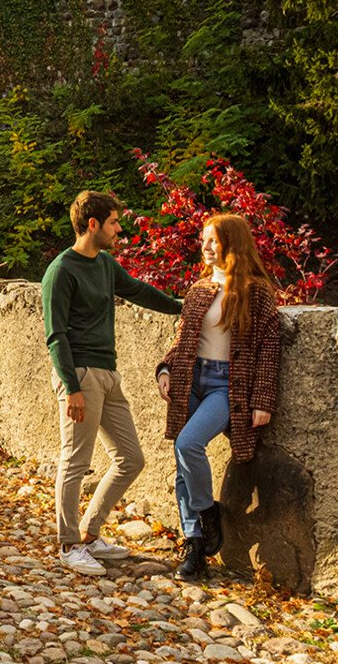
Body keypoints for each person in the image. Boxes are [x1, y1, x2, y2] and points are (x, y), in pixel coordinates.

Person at [42, 190, 184, 576]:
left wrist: (185, 305)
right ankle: (69, 545)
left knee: (131, 458)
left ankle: (88, 533)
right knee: (76, 461)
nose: (119, 229)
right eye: (114, 223)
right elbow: (56, 335)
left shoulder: (105, 265)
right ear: (93, 224)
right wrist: (71, 387)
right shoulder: (61, 271)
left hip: (108, 374)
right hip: (81, 376)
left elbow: (138, 291)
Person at [157, 213, 283, 580]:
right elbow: (182, 339)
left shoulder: (257, 292)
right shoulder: (199, 289)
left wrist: (263, 399)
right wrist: (165, 369)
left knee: (188, 444)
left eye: (213, 240)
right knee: (182, 463)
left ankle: (207, 510)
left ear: (233, 243)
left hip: (227, 385)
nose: (205, 247)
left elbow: (269, 348)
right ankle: (195, 545)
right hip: (190, 379)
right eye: (204, 240)